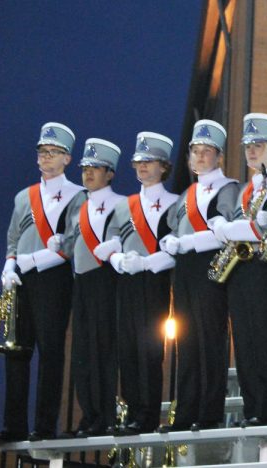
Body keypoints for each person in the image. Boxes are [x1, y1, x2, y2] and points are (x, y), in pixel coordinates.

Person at [0, 122, 85, 441]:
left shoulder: (78, 195)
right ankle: (13, 425)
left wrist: (31, 260)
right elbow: (12, 237)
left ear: (67, 159)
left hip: (54, 279)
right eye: (42, 151)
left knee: (51, 351)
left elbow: (73, 242)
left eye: (53, 152)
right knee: (16, 350)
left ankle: (45, 426)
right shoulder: (24, 197)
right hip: (20, 281)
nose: (45, 157)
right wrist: (9, 267)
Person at [158, 120, 238, 431]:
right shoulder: (186, 194)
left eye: (207, 152)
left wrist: (187, 241)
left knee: (210, 340)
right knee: (186, 341)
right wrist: (168, 241)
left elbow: (226, 233)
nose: (200, 157)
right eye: (195, 151)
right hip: (186, 271)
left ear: (218, 156)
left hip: (211, 268)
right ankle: (186, 412)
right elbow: (170, 228)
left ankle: (209, 413)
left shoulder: (228, 187)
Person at [98, 132, 179, 434]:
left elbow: (175, 248)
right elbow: (109, 243)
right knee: (127, 349)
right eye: (138, 162)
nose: (142, 167)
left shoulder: (174, 202)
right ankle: (131, 411)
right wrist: (119, 261)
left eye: (149, 161)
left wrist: (146, 262)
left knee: (150, 349)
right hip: (127, 282)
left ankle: (147, 414)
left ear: (164, 166)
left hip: (154, 280)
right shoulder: (124, 205)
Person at [215, 113, 267, 427]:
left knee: (262, 341)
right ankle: (251, 409)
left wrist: (230, 228)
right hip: (239, 271)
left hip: (264, 269)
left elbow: (264, 225)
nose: (251, 152)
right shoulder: (246, 189)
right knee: (243, 343)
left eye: (258, 145)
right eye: (248, 146)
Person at [65, 138, 126, 437]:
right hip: (82, 283)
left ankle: (105, 414)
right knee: (83, 352)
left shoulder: (120, 204)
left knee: (103, 349)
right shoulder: (78, 205)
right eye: (85, 168)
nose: (88, 173)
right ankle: (88, 414)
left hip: (105, 280)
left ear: (110, 173)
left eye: (96, 168)